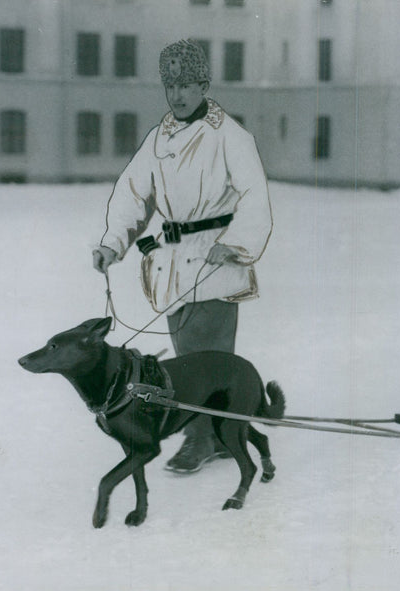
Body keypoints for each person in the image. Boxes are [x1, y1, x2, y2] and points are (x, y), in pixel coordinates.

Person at [92, 40, 273, 474]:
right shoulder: (160, 137)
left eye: (187, 85)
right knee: (185, 356)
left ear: (204, 85)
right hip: (173, 264)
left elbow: (254, 194)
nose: (177, 95)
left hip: (214, 259)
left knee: (205, 362)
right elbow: (133, 193)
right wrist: (112, 242)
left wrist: (236, 242)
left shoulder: (229, 135)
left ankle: (204, 439)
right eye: (170, 85)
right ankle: (217, 434)